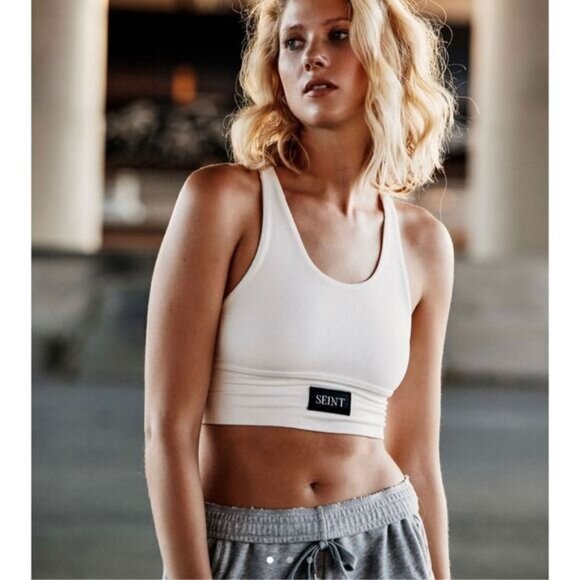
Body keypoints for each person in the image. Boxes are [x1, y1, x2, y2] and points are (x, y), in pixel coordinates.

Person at [144, 0, 456, 578]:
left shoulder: (423, 244)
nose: (313, 56)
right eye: (294, 41)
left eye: (339, 35)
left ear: (387, 57)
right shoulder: (224, 202)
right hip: (241, 547)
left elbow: (417, 456)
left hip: (384, 542)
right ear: (276, 67)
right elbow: (167, 430)